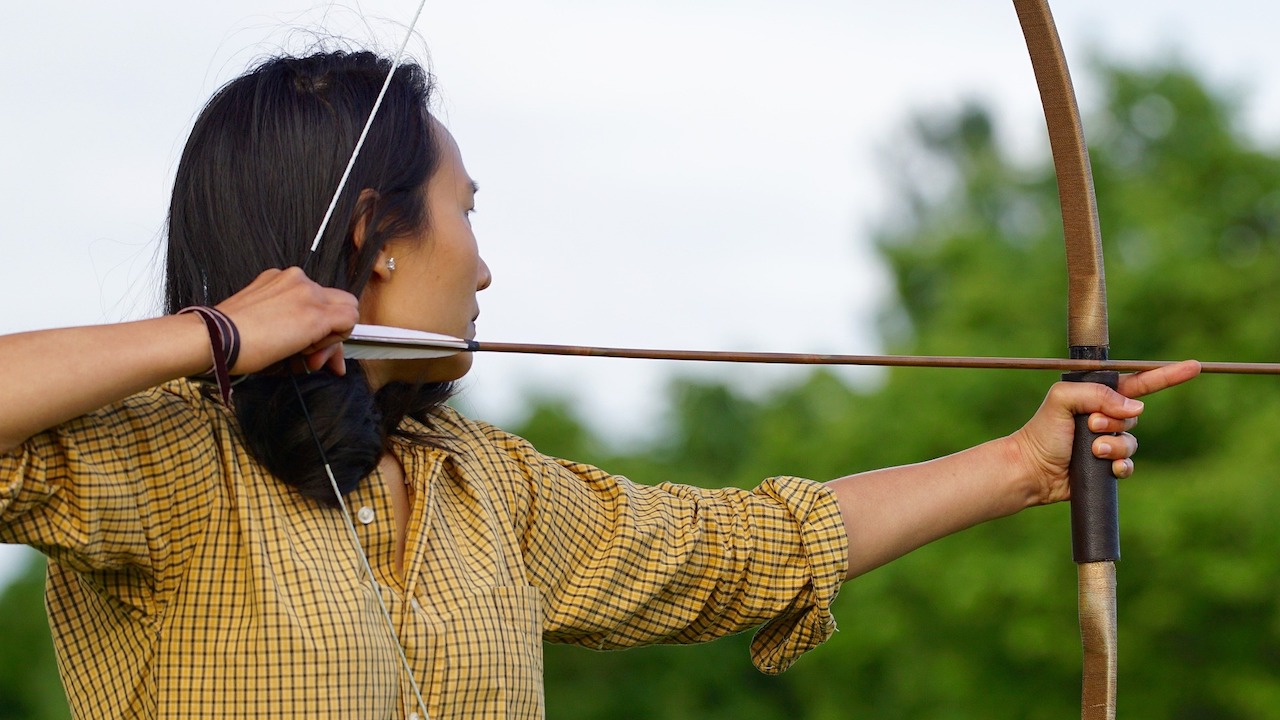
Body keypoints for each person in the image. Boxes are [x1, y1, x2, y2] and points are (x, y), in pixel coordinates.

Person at [0, 50, 1199, 719]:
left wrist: (1020, 465)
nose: (484, 261)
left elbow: (740, 548)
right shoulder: (160, 461)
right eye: (464, 214)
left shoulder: (486, 489)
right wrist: (211, 334)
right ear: (374, 236)